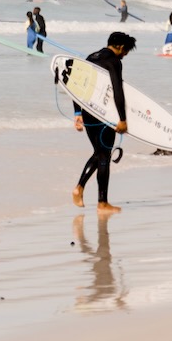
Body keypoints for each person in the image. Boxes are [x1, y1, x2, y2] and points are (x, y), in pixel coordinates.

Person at [72, 31, 133, 216]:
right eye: (126, 51)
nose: (125, 55)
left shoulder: (91, 57)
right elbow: (117, 90)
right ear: (121, 47)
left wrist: (77, 113)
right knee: (104, 155)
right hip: (105, 115)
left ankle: (79, 189)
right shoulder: (114, 62)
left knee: (99, 153)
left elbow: (76, 84)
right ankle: (102, 203)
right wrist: (122, 119)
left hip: (88, 111)